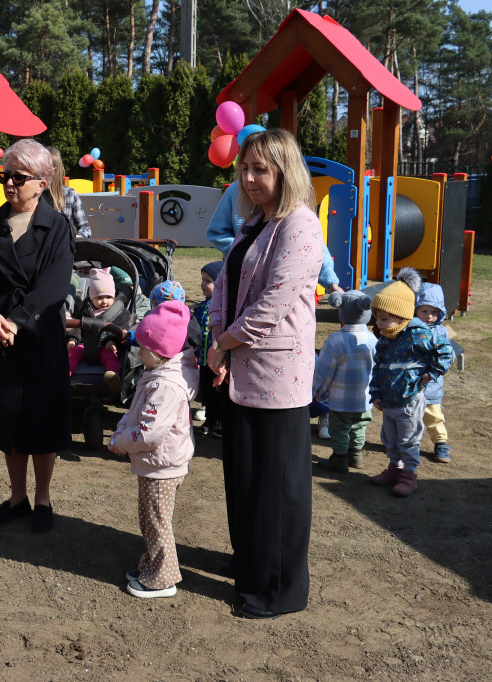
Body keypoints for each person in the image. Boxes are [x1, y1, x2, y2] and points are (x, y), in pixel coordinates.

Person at [206, 129, 322, 619]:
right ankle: (251, 564)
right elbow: (223, 282)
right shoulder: (255, 219)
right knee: (246, 478)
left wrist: (224, 343)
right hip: (238, 371)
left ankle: (277, 589)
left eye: (261, 170)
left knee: (277, 488)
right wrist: (216, 336)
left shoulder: (300, 225)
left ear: (284, 172)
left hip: (277, 376)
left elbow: (273, 304)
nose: (249, 179)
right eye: (244, 169)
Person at [0, 139, 74, 533]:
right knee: (8, 417)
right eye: (4, 175)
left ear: (43, 183)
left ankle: (42, 499)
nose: (9, 183)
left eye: (19, 178)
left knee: (42, 419)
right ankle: (17, 497)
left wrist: (18, 319)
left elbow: (55, 285)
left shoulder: (58, 226)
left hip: (40, 337)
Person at [108, 301, 199, 599]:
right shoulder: (161, 374)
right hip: (157, 463)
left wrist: (120, 442)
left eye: (143, 348)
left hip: (161, 466)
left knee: (157, 522)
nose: (138, 352)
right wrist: (123, 429)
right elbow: (139, 417)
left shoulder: (165, 386)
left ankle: (162, 579)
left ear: (159, 353)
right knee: (150, 519)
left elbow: (149, 432)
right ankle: (152, 565)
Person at [368, 268, 455, 497]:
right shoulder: (385, 339)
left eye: (383, 318)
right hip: (388, 400)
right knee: (390, 438)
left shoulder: (419, 333)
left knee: (408, 438)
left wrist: (432, 373)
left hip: (409, 399)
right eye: (377, 317)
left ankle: (409, 474)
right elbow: (378, 367)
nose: (378, 322)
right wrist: (375, 392)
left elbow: (446, 351)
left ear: (401, 316)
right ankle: (394, 468)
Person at [207, 180, 343, 295]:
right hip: (242, 282)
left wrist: (330, 281)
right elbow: (217, 232)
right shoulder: (236, 190)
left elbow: (313, 244)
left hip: (284, 286)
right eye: (245, 167)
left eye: (259, 168)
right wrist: (247, 254)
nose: (249, 177)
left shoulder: (292, 195)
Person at [313, 289, 376, 473]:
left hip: (340, 398)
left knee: (339, 427)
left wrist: (319, 390)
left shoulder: (335, 340)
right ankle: (356, 455)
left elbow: (324, 371)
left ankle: (339, 459)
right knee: (359, 425)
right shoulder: (373, 339)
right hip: (365, 397)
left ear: (341, 311)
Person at [67, 268, 130, 391]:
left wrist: (113, 341)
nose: (104, 301)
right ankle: (64, 375)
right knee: (73, 353)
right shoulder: (85, 309)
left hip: (104, 345)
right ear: (91, 298)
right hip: (85, 344)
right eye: (99, 297)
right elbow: (77, 326)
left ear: (113, 296)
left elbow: (123, 327)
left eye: (108, 297)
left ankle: (112, 375)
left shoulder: (119, 311)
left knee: (110, 356)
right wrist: (73, 339)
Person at [415, 283, 453, 463]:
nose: (429, 317)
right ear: (415, 309)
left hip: (431, 385)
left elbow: (448, 356)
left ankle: (440, 443)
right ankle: (405, 443)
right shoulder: (408, 330)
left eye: (434, 312)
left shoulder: (442, 332)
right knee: (408, 417)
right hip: (410, 385)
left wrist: (434, 372)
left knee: (434, 416)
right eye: (424, 311)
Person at [193, 262, 225, 438]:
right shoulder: (200, 307)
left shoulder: (225, 307)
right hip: (203, 360)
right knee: (207, 392)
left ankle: (221, 423)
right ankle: (210, 421)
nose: (203, 284)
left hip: (219, 361)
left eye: (208, 281)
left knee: (219, 393)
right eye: (202, 280)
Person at [45, 146, 92, 238]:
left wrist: (76, 238)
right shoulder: (35, 194)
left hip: (62, 247)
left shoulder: (69, 194)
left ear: (55, 171)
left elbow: (85, 228)